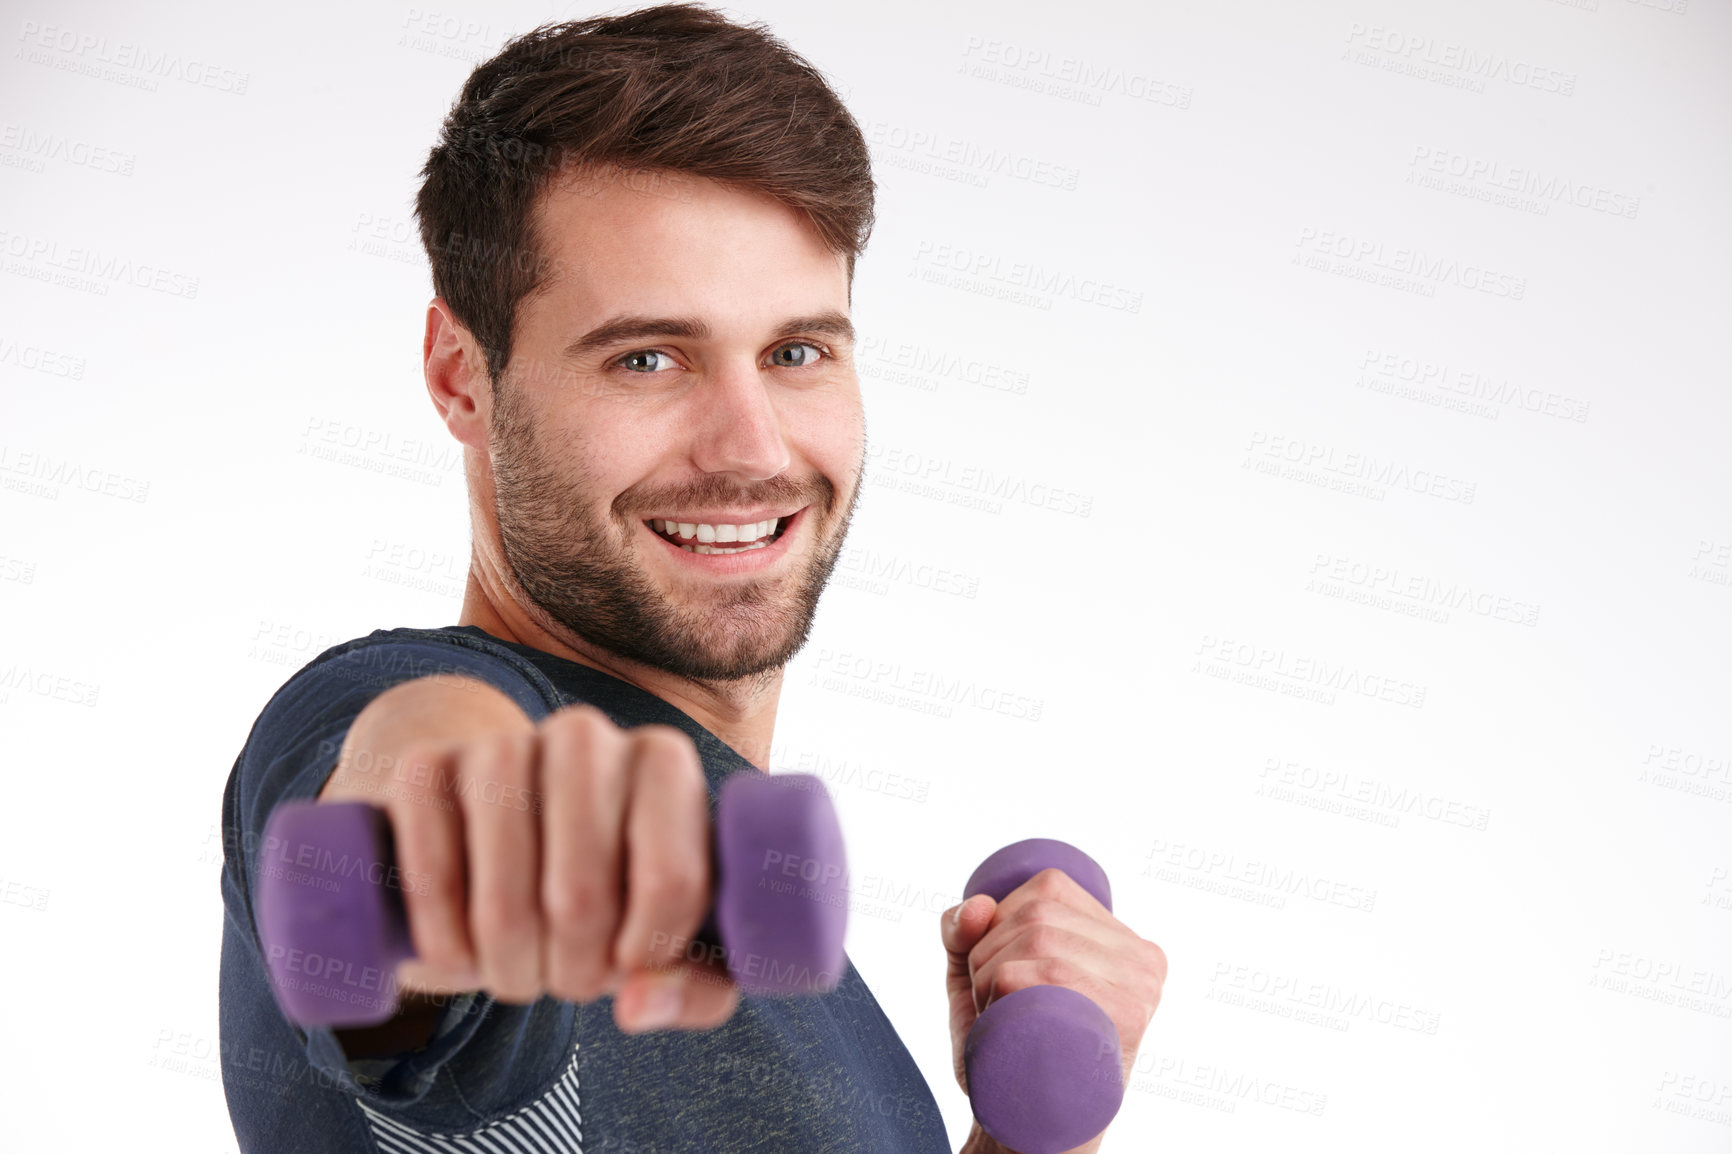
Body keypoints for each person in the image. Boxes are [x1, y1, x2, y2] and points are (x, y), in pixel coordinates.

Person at [217, 5, 1167, 1151]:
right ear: (462, 377)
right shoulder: (391, 709)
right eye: (648, 358)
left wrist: (1028, 1139)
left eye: (795, 351)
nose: (753, 447)